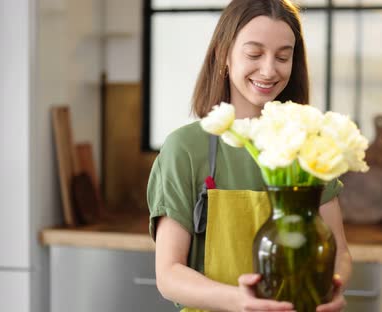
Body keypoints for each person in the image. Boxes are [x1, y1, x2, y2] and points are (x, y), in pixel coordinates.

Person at [147, 1, 352, 311]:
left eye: (283, 56)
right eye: (254, 54)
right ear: (223, 55)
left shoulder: (308, 144)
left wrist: (331, 287)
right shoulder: (184, 149)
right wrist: (240, 302)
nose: (269, 70)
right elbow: (169, 274)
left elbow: (339, 251)